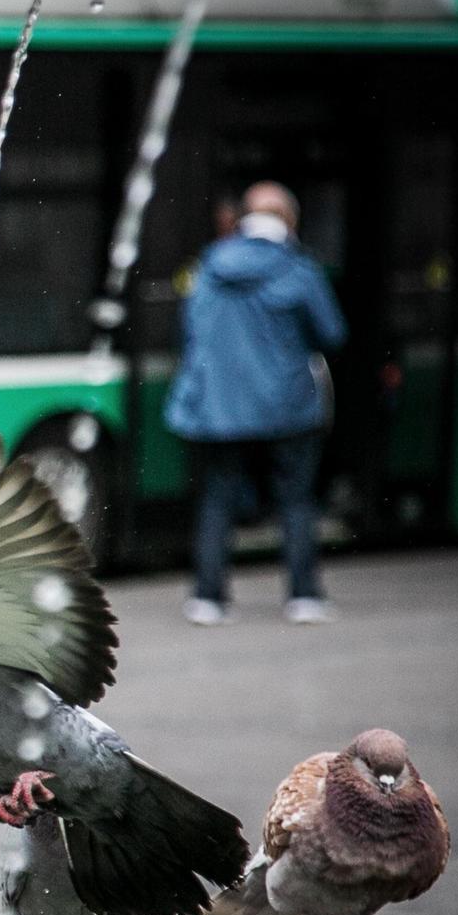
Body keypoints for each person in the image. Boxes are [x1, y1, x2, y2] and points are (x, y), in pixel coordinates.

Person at [165, 181, 347, 626]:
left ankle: (208, 597)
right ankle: (303, 596)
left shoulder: (208, 267)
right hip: (289, 405)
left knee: (218, 498)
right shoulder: (301, 272)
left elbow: (190, 333)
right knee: (295, 499)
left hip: (222, 407)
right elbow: (332, 335)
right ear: (289, 221)